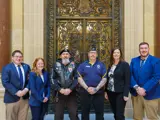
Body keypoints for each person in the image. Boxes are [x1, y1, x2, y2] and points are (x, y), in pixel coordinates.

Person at [130, 42, 160, 120]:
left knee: (152, 117)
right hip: (136, 94)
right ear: (139, 50)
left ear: (149, 49)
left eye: (145, 48)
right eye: (141, 48)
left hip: (151, 94)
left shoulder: (156, 60)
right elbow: (130, 75)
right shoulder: (134, 60)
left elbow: (156, 77)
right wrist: (137, 88)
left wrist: (144, 89)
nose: (143, 50)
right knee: (137, 117)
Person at [77, 47, 107, 120]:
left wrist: (96, 89)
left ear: (96, 55)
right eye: (91, 53)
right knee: (85, 113)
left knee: (99, 113)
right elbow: (79, 78)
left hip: (98, 92)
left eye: (94, 53)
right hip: (85, 92)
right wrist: (87, 88)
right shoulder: (83, 65)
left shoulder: (101, 65)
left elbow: (105, 78)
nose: (92, 54)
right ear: (88, 54)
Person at [1, 50, 30, 120]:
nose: (18, 58)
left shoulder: (26, 67)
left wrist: (26, 90)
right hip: (12, 98)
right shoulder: (6, 68)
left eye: (20, 57)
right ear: (12, 58)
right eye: (16, 56)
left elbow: (30, 81)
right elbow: (5, 82)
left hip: (24, 98)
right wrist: (16, 92)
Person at [51, 49, 78, 120]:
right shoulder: (55, 65)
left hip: (71, 93)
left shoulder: (74, 65)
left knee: (73, 114)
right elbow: (52, 79)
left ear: (69, 56)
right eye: (63, 54)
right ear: (60, 56)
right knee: (58, 115)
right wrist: (60, 89)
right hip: (59, 93)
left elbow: (76, 78)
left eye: (67, 54)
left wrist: (70, 89)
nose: (65, 55)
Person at [104, 48, 130, 120]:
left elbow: (127, 80)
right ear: (112, 54)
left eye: (118, 52)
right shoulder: (110, 65)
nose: (116, 54)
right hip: (110, 92)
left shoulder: (125, 65)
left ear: (120, 54)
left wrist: (126, 94)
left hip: (120, 93)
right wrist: (106, 91)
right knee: (115, 113)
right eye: (114, 52)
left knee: (119, 115)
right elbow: (108, 79)